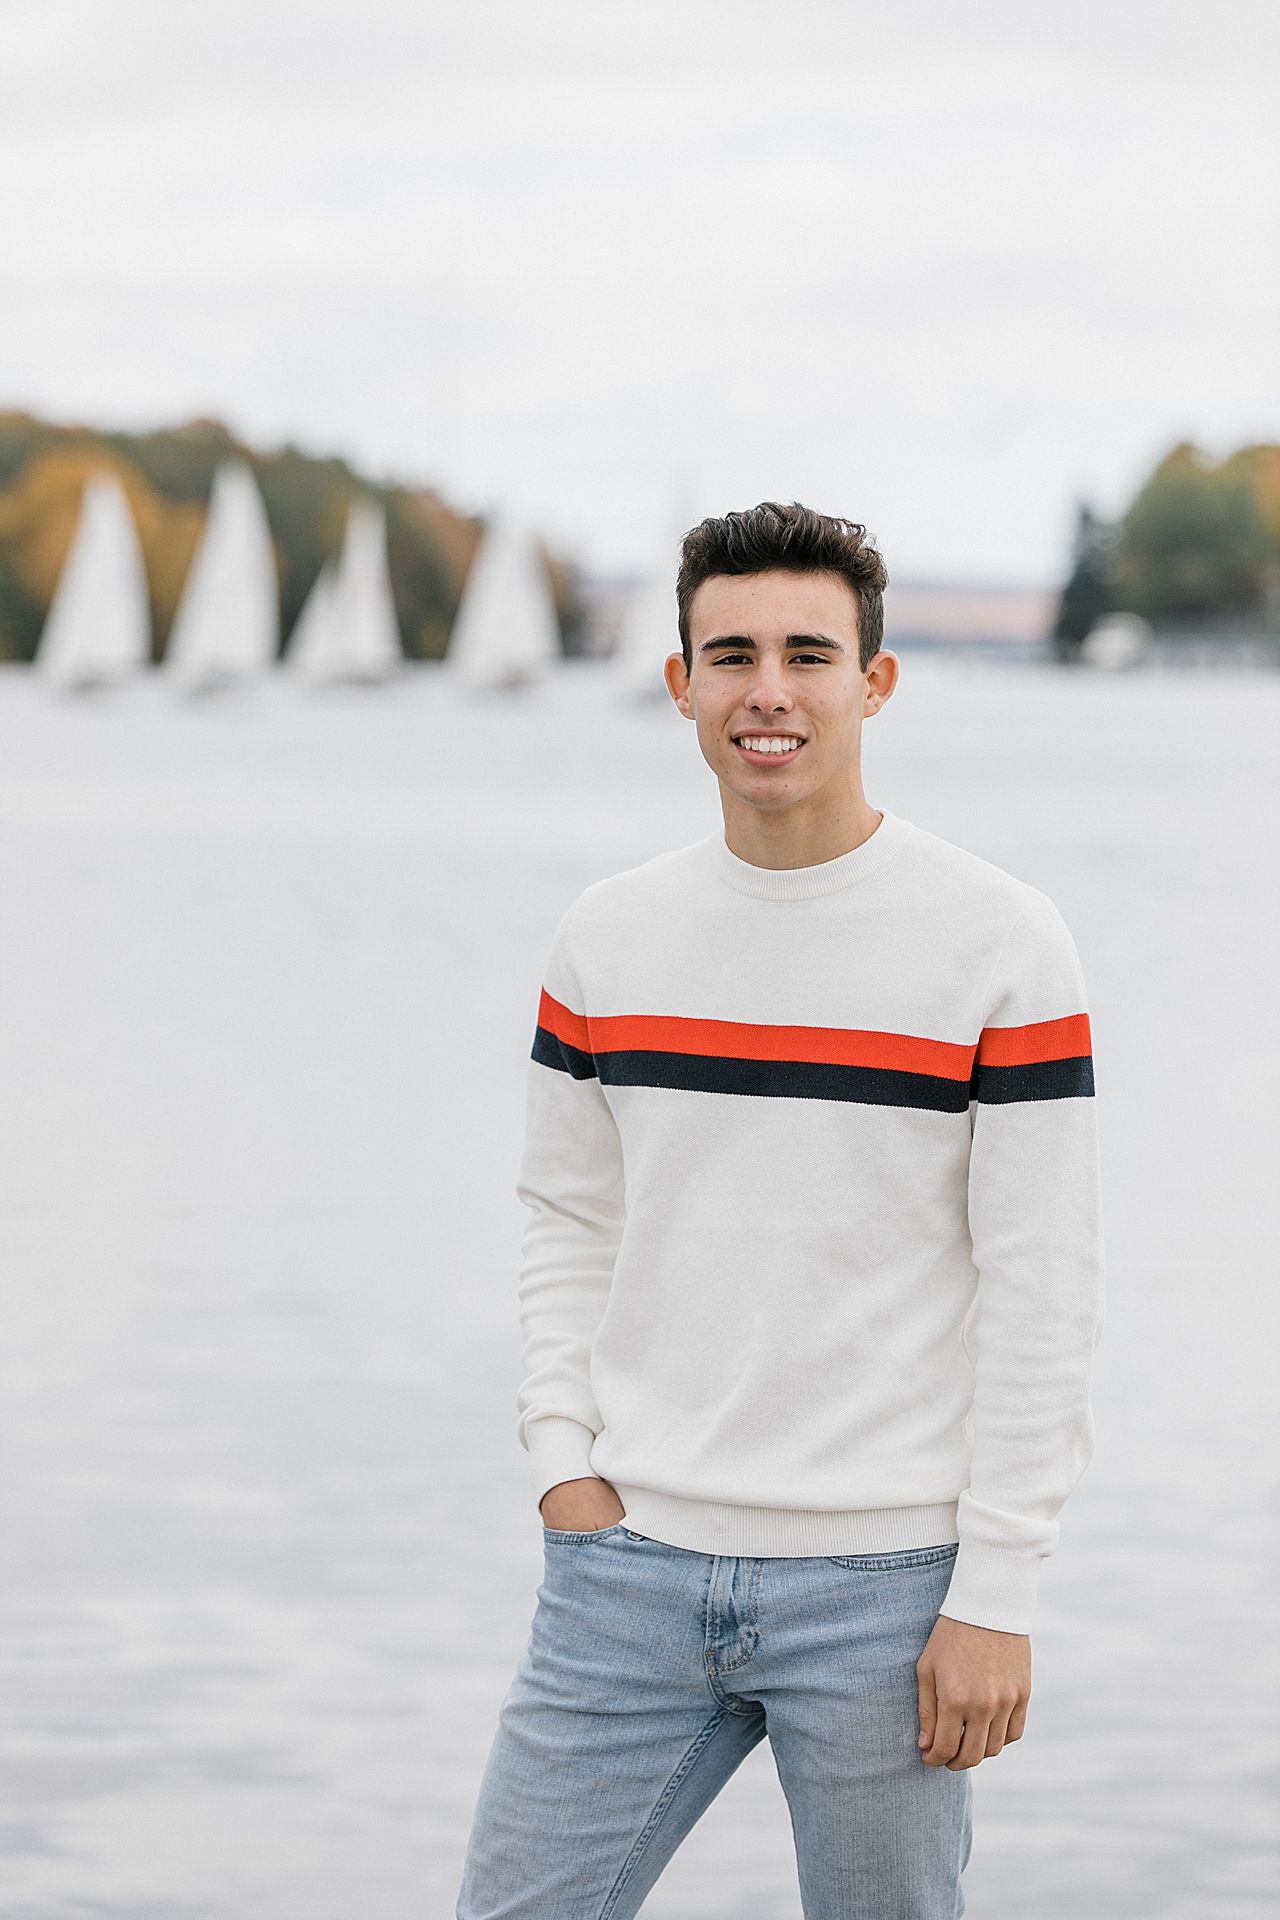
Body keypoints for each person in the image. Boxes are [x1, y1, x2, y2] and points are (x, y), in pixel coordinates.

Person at [455, 500, 1106, 1919]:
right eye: (731, 653)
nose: (769, 692)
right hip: (622, 1569)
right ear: (680, 682)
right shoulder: (607, 938)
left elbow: (1045, 1283)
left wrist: (999, 1587)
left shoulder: (1002, 942)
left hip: (888, 1588)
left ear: (875, 682)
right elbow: (569, 1218)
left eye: (810, 654)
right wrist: (562, 1460)